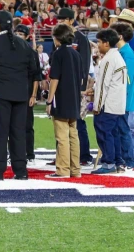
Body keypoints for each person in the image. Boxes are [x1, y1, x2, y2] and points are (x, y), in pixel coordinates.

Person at [0, 11, 38, 181]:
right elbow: (33, 71)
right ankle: (21, 172)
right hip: (20, 96)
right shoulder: (23, 45)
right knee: (18, 133)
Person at [55, 8, 93, 166]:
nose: (60, 22)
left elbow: (84, 65)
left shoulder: (81, 39)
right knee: (60, 121)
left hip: (77, 87)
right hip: (61, 87)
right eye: (59, 20)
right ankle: (62, 156)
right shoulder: (58, 36)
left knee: (78, 121)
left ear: (72, 20)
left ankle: (83, 156)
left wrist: (82, 87)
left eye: (64, 19)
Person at [45, 24, 82, 179]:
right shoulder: (76, 54)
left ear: (57, 38)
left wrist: (49, 101)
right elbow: (81, 78)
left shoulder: (58, 54)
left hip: (61, 99)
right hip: (74, 98)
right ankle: (75, 169)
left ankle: (63, 169)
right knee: (73, 135)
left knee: (62, 136)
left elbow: (54, 79)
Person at [90, 29, 127, 175]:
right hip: (117, 102)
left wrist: (97, 106)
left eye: (99, 42)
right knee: (113, 133)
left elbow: (103, 85)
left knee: (104, 133)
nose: (98, 45)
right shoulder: (117, 56)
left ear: (106, 43)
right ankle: (118, 161)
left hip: (108, 103)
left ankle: (108, 162)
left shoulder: (108, 59)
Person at [110, 23, 134, 171]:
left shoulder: (126, 53)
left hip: (123, 99)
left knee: (123, 130)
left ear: (119, 36)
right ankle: (124, 160)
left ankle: (130, 161)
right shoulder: (125, 51)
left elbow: (125, 79)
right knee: (120, 129)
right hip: (124, 98)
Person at [13, 24, 42, 164]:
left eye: (21, 34)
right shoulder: (9, 52)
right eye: (16, 34)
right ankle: (14, 153)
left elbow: (36, 76)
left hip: (26, 93)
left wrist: (33, 95)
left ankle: (30, 154)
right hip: (12, 93)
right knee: (12, 125)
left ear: (27, 37)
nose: (18, 36)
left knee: (27, 126)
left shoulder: (32, 53)